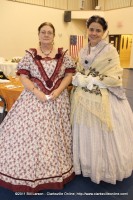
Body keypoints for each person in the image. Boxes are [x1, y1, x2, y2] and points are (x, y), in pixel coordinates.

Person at [0, 22, 75, 192]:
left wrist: (57, 91)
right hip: (33, 99)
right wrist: (36, 92)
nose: (46, 35)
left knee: (55, 136)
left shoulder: (63, 55)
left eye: (49, 32)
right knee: (29, 135)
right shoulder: (30, 55)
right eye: (43, 32)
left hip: (58, 101)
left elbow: (69, 75)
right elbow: (24, 78)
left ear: (54, 36)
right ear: (39, 34)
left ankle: (53, 171)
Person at [71, 15, 133, 184]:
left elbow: (115, 76)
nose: (94, 33)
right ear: (87, 30)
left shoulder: (110, 50)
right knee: (85, 129)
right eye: (91, 29)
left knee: (103, 132)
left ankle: (103, 168)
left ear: (104, 32)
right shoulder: (83, 50)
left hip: (105, 97)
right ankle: (86, 164)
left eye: (98, 30)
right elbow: (79, 68)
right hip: (84, 98)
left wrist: (95, 80)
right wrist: (79, 77)